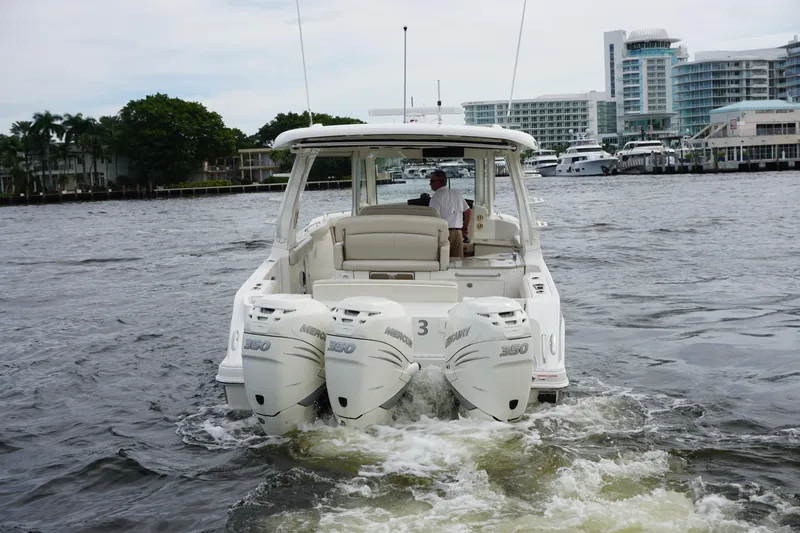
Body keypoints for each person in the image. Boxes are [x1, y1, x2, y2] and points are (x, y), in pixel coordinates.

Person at [427, 170, 471, 258]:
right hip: (458, 233)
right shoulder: (457, 194)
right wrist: (464, 228)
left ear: (439, 182)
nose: (430, 184)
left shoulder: (436, 198)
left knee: (442, 260)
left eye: (432, 181)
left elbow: (433, 219)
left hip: (444, 233)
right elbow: (468, 211)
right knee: (457, 261)